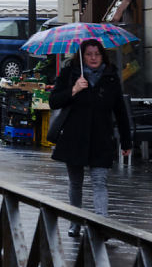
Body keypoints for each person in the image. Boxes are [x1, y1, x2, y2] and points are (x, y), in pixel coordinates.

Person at [50, 39, 132, 237]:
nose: (93, 58)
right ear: (82, 56)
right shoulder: (71, 74)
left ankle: (100, 225)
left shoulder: (110, 78)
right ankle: (75, 222)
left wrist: (126, 140)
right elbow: (53, 101)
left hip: (101, 139)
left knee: (99, 182)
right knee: (75, 184)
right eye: (89, 54)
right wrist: (74, 89)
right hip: (74, 138)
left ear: (103, 55)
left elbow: (120, 111)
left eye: (97, 54)